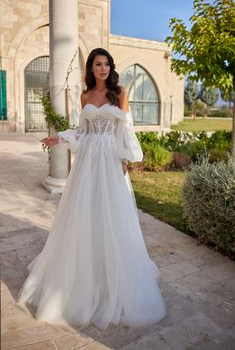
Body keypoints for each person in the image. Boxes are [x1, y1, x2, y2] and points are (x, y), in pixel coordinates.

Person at [18, 48, 166, 330]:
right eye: (98, 64)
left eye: (107, 64)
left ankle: (114, 276)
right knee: (85, 214)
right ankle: (85, 274)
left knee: (113, 215)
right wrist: (60, 137)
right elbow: (83, 134)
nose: (103, 68)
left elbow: (126, 129)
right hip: (88, 164)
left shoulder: (119, 92)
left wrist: (125, 158)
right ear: (91, 67)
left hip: (110, 161)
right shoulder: (85, 96)